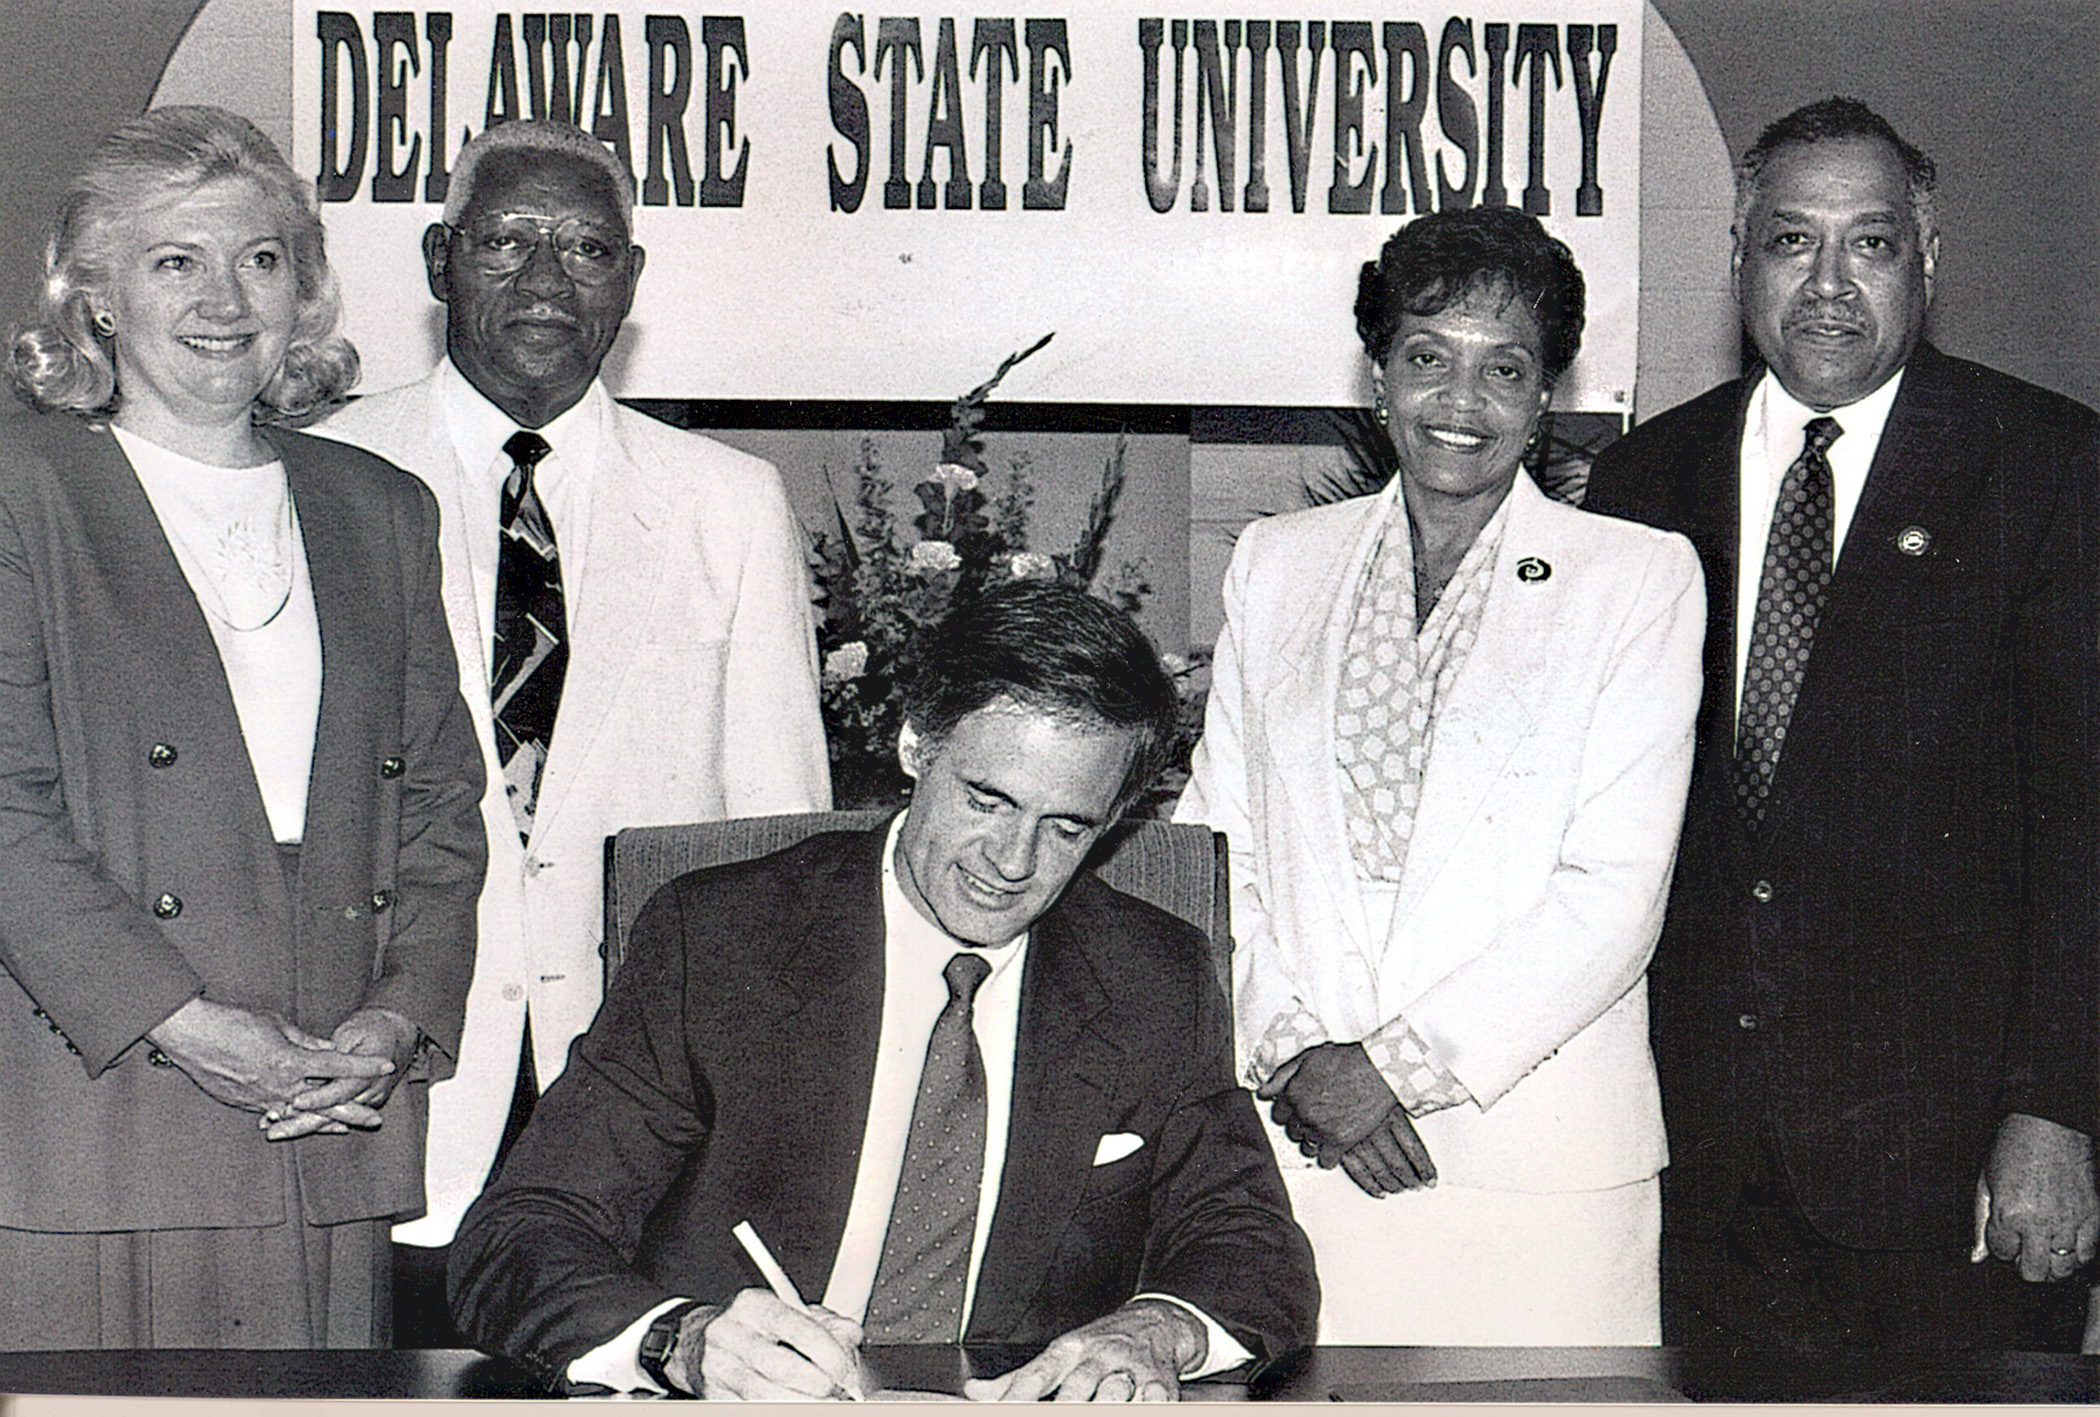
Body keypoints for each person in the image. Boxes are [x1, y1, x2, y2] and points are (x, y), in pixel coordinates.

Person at [448, 580, 1317, 1399]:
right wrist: (680, 1340)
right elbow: (519, 1232)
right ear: (914, 745)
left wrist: (1154, 1332)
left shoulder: (1152, 975)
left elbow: (1253, 1247)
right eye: (986, 800)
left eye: (1066, 827)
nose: (1013, 864)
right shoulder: (717, 942)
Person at [1584, 96, 2099, 1351]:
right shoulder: (1646, 483)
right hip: (1692, 1154)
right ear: (1739, 257)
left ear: (1926, 260)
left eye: (1867, 244)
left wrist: (2060, 1116)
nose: (1826, 285)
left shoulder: (2047, 467)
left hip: (1951, 1168)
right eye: (1789, 241)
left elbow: (2086, 822)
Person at [315, 118, 831, 1340]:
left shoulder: (731, 504)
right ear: (440, 261)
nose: (547, 280)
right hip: (386, 1080)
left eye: (588, 248)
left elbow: (774, 843)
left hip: (635, 1096)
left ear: (631, 282)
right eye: (506, 243)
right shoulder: (322, 471)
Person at [0, 106, 485, 1348]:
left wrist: (393, 1021)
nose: (226, 299)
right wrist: (186, 1024)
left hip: (323, 1109)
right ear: (96, 299)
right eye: (176, 262)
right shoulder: (25, 490)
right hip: (100, 1099)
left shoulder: (379, 506)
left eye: (261, 260)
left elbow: (440, 808)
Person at [1176, 205, 1705, 1344]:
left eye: (1501, 369)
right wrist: (1296, 1057)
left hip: (1539, 1170)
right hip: (1302, 1148)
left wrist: (1393, 1068)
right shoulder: (1279, 564)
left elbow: (1615, 891)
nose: (1459, 405)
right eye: (1427, 359)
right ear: (1378, 374)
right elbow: (1218, 852)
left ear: (1545, 391)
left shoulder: (1637, 579)